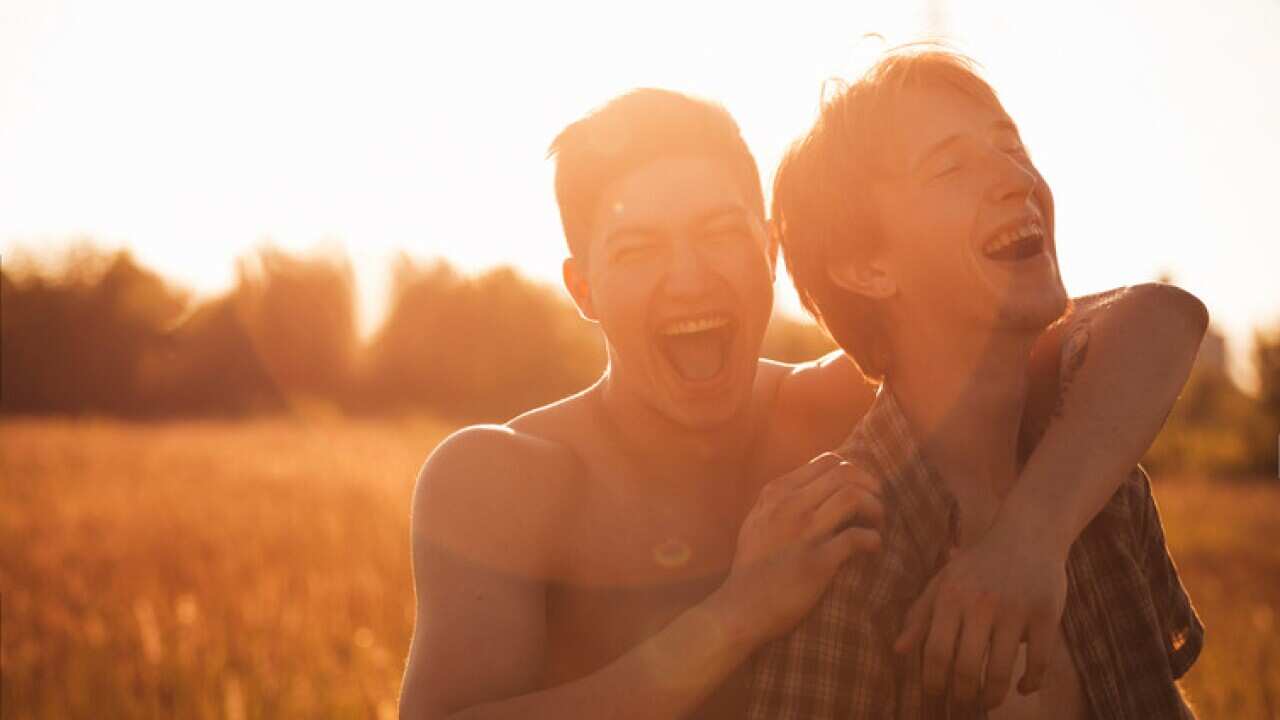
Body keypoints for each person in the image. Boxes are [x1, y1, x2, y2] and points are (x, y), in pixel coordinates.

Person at [397, 87, 1208, 719]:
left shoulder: (838, 405)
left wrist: (1029, 540)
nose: (690, 277)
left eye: (720, 232)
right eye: (639, 248)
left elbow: (1154, 321)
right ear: (583, 287)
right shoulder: (501, 477)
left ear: (770, 252)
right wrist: (734, 617)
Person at [749, 48, 1203, 719]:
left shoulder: (1103, 485)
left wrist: (1032, 537)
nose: (1017, 178)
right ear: (867, 267)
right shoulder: (844, 553)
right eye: (950, 167)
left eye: (1011, 144)